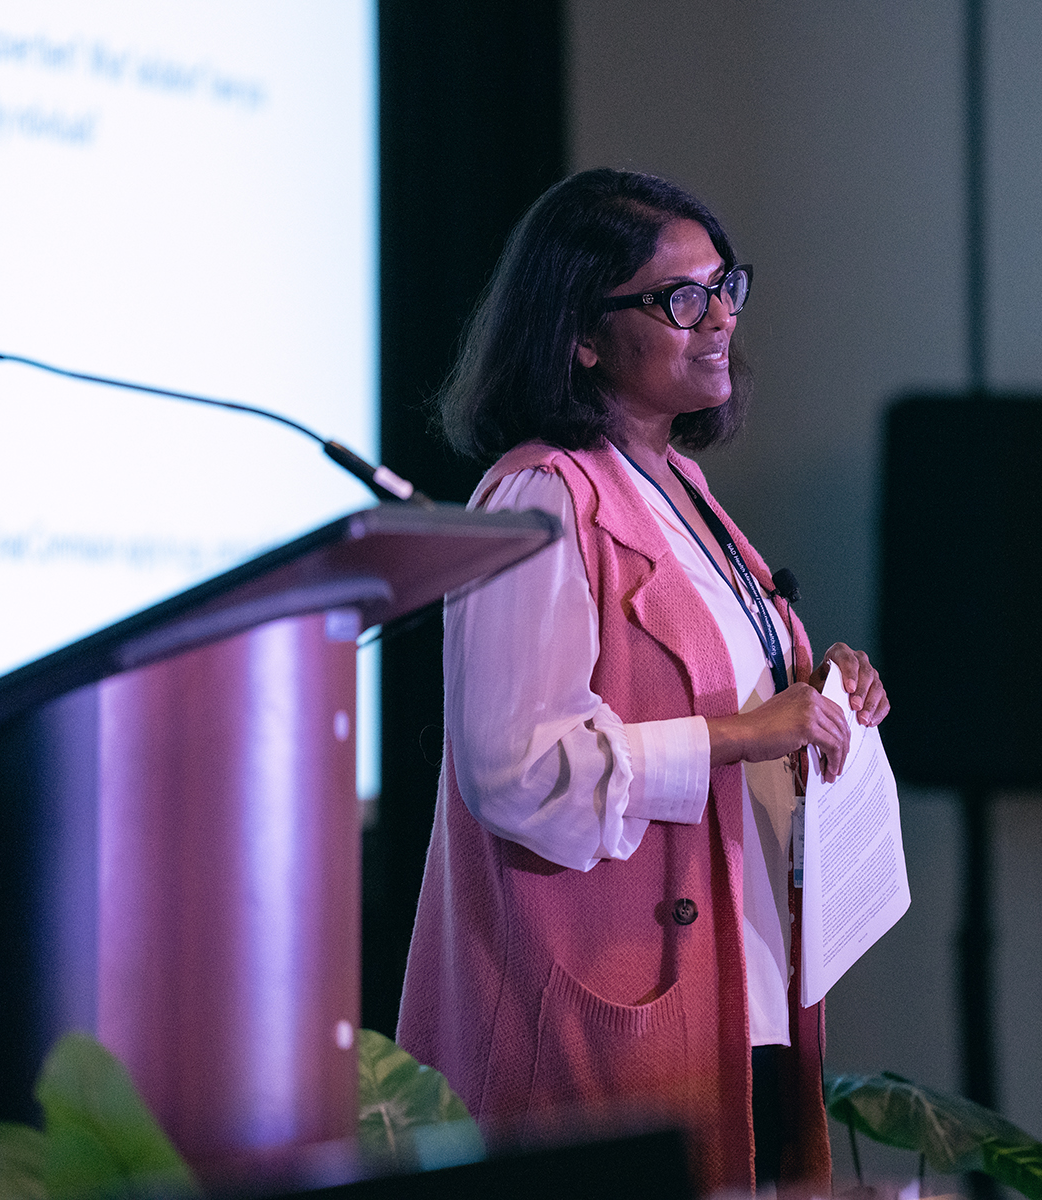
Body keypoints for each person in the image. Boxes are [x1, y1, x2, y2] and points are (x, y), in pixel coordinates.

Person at [396, 168, 891, 1197]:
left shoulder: (684, 488)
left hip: (740, 984)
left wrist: (825, 681)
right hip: (604, 1008)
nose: (718, 321)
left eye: (726, 288)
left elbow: (729, 692)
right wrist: (739, 734)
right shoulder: (539, 496)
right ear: (582, 333)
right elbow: (513, 772)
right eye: (681, 299)